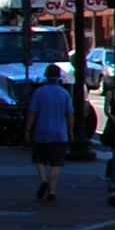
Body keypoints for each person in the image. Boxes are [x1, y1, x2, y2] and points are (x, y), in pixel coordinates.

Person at [24, 64, 72, 206]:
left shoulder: (39, 92)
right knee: (56, 163)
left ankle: (44, 180)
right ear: (59, 77)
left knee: (39, 159)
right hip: (60, 133)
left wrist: (27, 130)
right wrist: (71, 131)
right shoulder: (65, 94)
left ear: (46, 76)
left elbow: (32, 112)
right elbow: (70, 115)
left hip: (41, 132)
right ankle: (52, 191)